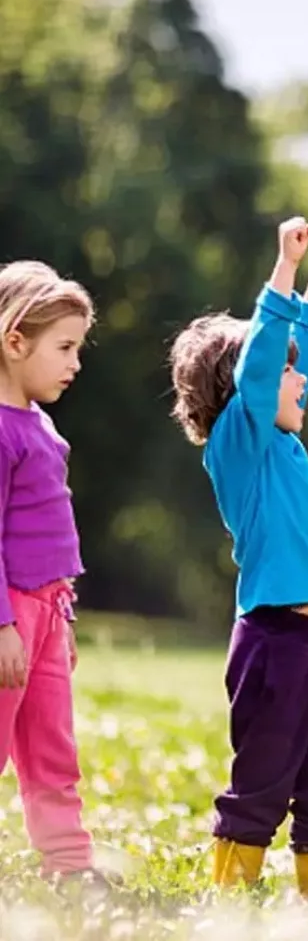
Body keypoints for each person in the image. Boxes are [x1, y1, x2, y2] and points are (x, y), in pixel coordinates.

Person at [168, 218, 308, 907]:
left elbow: (294, 355)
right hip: (275, 642)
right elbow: (264, 368)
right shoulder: (241, 447)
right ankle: (231, 896)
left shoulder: (282, 442)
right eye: (285, 371)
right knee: (262, 778)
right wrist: (286, 265)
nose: (300, 380)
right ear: (243, 388)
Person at [0, 260, 104, 888]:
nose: (76, 363)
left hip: (47, 611)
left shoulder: (40, 423)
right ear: (15, 342)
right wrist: (4, 624)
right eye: (64, 347)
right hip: (9, 614)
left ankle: (68, 866)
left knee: (52, 749)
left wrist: (60, 620)